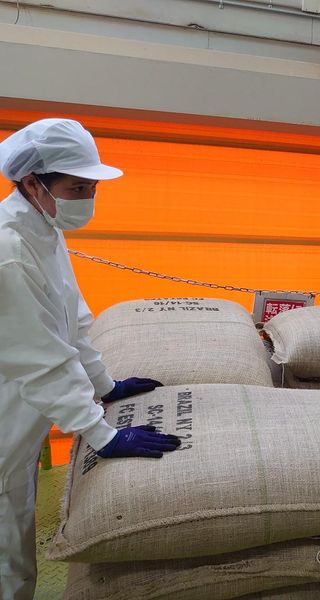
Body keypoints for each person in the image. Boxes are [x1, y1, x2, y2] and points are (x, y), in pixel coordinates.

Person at [0, 119, 181, 600]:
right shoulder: (9, 250)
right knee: (7, 550)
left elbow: (72, 320)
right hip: (6, 415)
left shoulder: (43, 228)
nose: (87, 199)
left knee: (14, 521)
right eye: (77, 188)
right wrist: (101, 434)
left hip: (21, 412)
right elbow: (40, 359)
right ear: (32, 183)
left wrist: (105, 384)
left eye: (92, 188)